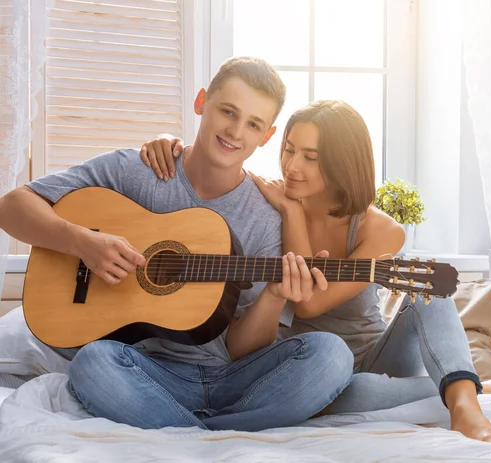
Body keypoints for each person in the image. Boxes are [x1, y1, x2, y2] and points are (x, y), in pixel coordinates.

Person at [142, 99, 491, 444]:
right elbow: (209, 173)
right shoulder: (267, 203)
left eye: (312, 157)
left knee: (427, 283)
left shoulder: (380, 229)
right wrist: (167, 142)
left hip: (374, 355)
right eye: (290, 149)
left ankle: (467, 409)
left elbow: (310, 297)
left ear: (343, 162)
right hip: (306, 367)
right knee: (341, 399)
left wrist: (292, 214)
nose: (293, 166)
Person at [0, 57, 355, 432]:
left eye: (253, 124)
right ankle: (215, 437)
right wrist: (81, 241)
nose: (235, 131)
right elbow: (11, 207)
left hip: (230, 378)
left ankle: (187, 434)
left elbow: (239, 349)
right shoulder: (136, 170)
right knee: (91, 364)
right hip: (139, 369)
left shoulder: (266, 217)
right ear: (202, 101)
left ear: (266, 136)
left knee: (331, 355)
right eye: (227, 111)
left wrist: (275, 295)